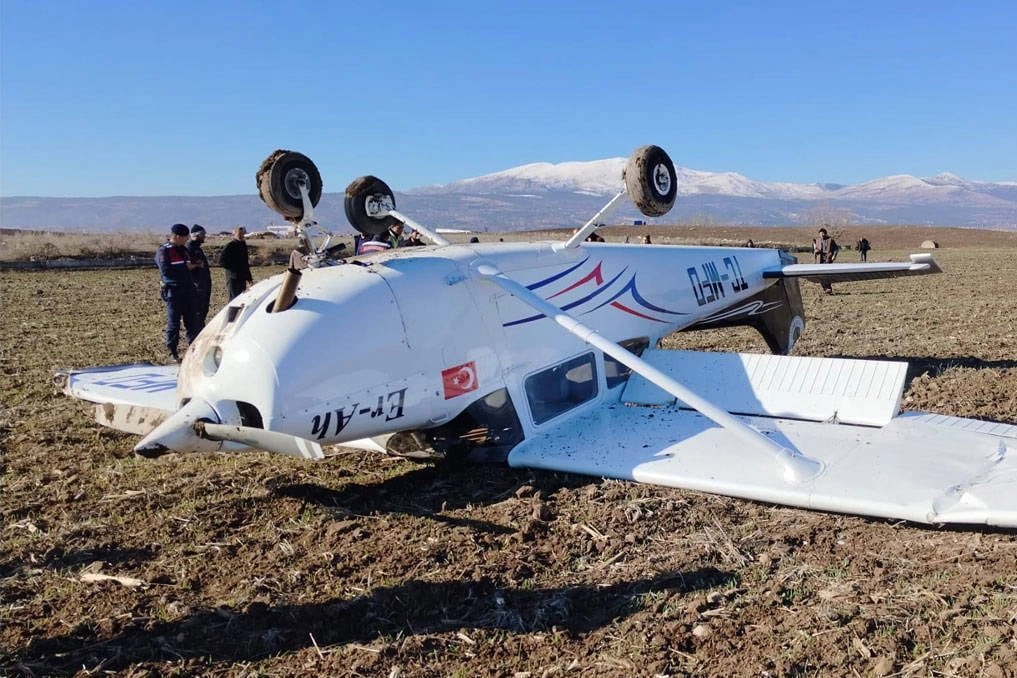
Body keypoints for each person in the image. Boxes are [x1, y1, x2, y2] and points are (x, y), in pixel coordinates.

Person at [156, 223, 202, 362]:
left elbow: (188, 266)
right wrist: (185, 267)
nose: (187, 239)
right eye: (185, 237)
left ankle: (193, 350)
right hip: (173, 291)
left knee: (192, 322)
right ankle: (172, 352)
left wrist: (194, 265)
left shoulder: (184, 250)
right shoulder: (164, 250)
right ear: (176, 236)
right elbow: (166, 270)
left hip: (188, 290)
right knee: (174, 323)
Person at [218, 226, 253, 299]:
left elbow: (245, 263)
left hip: (242, 277)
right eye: (239, 234)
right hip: (233, 278)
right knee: (234, 299)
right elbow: (221, 261)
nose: (241, 235)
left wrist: (249, 278)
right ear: (234, 234)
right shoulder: (230, 245)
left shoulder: (243, 245)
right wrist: (233, 269)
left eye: (243, 234)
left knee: (241, 298)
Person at [187, 224, 212, 324]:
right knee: (198, 311)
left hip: (203, 284)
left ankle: (200, 326)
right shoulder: (190, 249)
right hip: (197, 285)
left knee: (203, 310)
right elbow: (187, 267)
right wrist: (197, 265)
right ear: (197, 235)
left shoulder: (197, 248)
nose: (204, 237)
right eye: (203, 235)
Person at [816, 227, 840, 294]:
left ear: (825, 234)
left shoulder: (830, 240)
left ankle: (828, 288)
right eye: (820, 234)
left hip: (827, 259)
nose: (821, 235)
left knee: (827, 274)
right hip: (819, 260)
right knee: (820, 275)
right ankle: (825, 288)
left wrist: (834, 256)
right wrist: (816, 251)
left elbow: (836, 249)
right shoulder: (817, 240)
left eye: (823, 233)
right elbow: (814, 249)